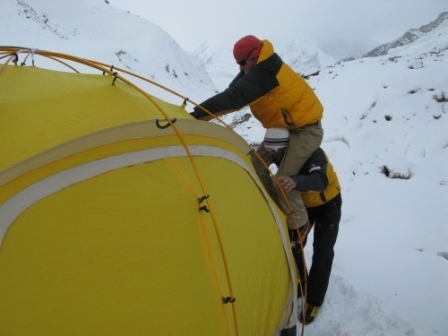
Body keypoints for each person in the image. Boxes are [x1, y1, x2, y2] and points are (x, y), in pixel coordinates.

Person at [190, 35, 324, 233]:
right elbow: (232, 91)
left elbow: (234, 98)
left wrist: (195, 116)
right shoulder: (254, 68)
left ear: (254, 56)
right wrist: (198, 116)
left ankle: (298, 225)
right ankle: (274, 211)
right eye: (238, 63)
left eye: (243, 62)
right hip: (283, 129)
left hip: (306, 130)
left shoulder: (267, 71)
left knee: (284, 180)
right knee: (254, 167)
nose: (241, 68)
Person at [262, 128, 342, 326]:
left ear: (288, 147)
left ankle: (314, 300)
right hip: (303, 207)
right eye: (271, 151)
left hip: (327, 205)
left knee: (323, 251)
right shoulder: (278, 152)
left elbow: (320, 180)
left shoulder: (313, 153)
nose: (275, 156)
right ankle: (300, 286)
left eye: (278, 151)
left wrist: (295, 180)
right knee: (294, 245)